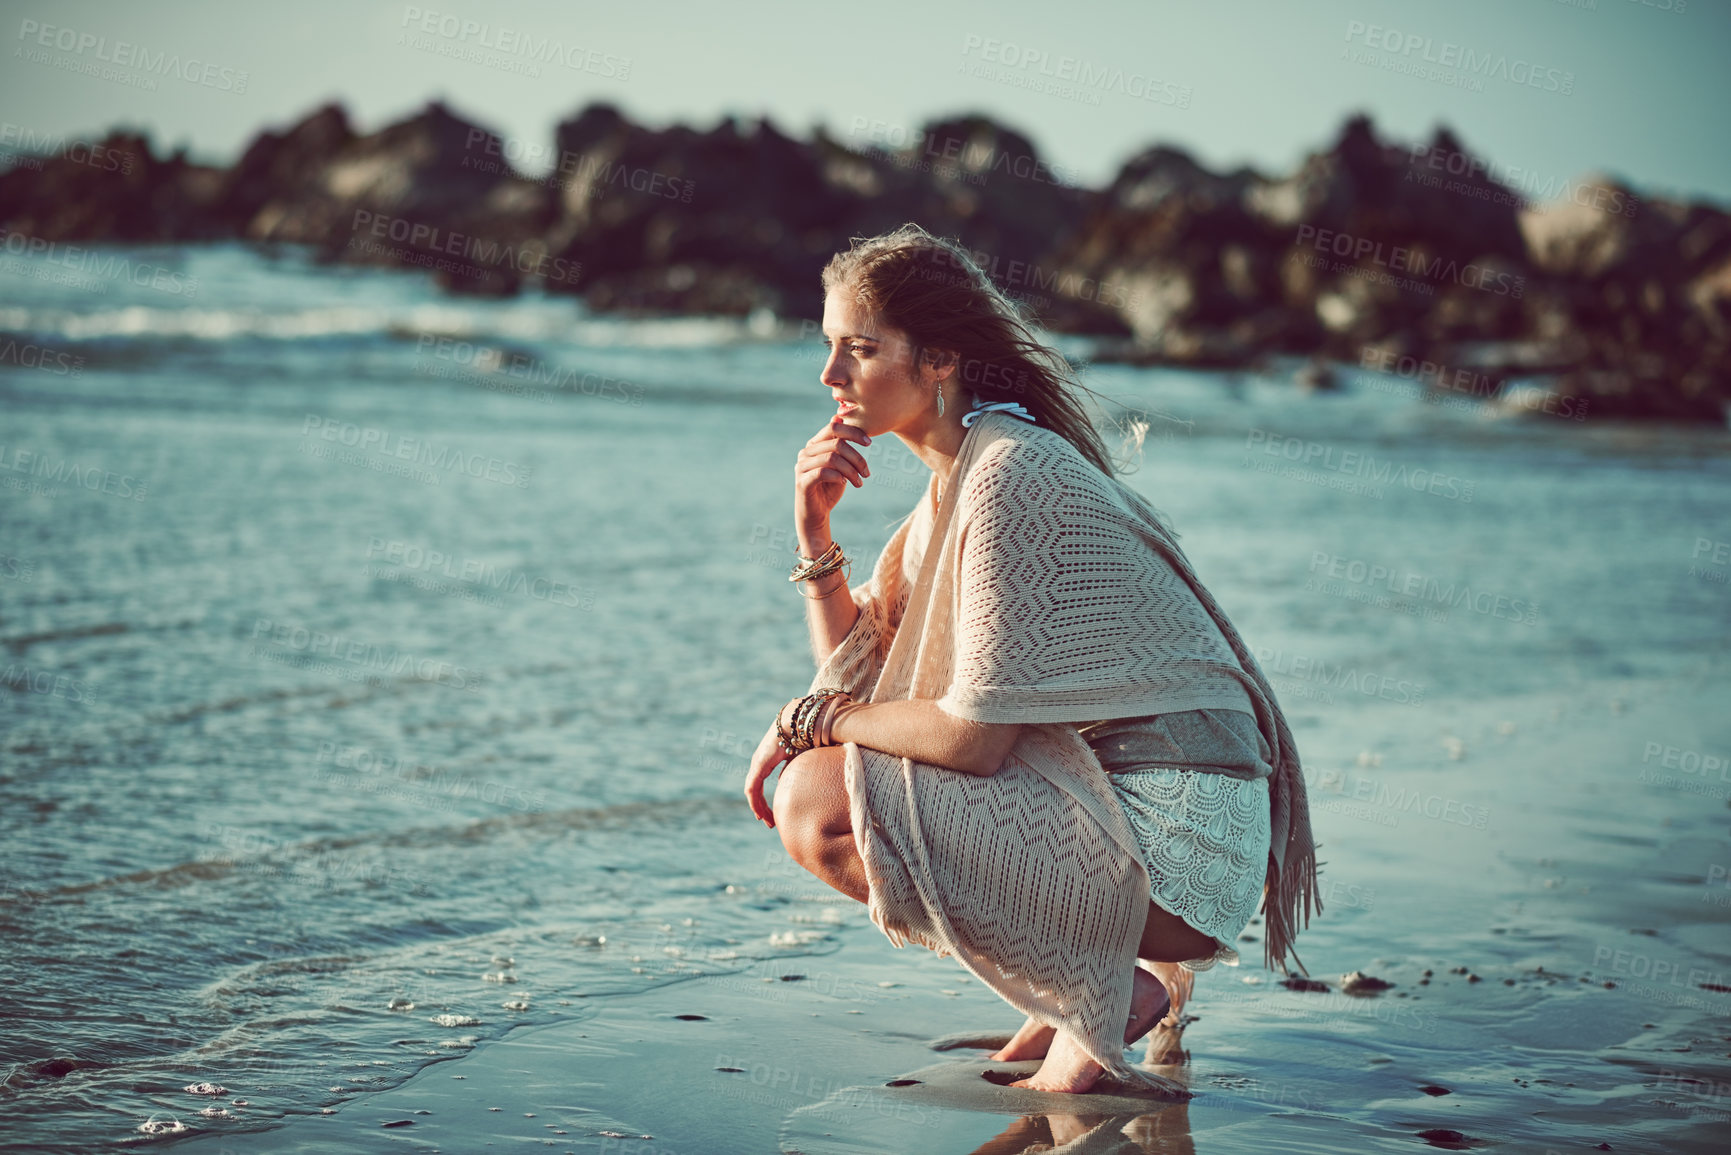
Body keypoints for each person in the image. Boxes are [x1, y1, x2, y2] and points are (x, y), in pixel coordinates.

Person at [743, 224, 1318, 1095]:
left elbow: (971, 739)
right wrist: (815, 538)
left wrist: (808, 721)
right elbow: (865, 679)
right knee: (834, 769)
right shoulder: (951, 491)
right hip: (1147, 811)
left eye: (859, 349)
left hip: (1182, 837)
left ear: (938, 360)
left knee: (817, 800)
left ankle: (1110, 986)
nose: (830, 377)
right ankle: (1082, 983)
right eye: (828, 348)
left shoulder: (1009, 475)